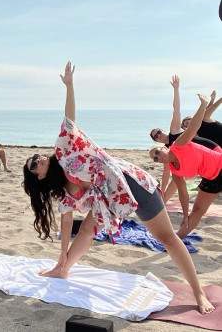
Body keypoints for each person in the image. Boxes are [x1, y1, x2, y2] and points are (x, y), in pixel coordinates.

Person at [22, 62, 214, 314]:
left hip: (132, 184)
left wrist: (69, 86)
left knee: (167, 238)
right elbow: (67, 223)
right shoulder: (62, 193)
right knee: (87, 230)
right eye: (34, 164)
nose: (39, 159)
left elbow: (69, 118)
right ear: (38, 177)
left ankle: (198, 292)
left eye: (37, 156)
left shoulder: (64, 150)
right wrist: (61, 257)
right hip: (109, 202)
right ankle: (63, 269)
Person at [149, 94, 222, 239]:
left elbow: (193, 126)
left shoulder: (178, 145)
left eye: (157, 152)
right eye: (156, 159)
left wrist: (203, 104)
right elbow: (183, 193)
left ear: (164, 148)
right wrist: (185, 214)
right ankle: (176, 240)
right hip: (212, 179)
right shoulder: (175, 170)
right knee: (197, 211)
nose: (158, 157)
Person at [149, 75, 218, 200]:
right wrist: (162, 190)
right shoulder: (166, 152)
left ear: (162, 130)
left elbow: (176, 110)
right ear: (157, 141)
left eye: (158, 132)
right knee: (176, 178)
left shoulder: (174, 131)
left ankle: (163, 202)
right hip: (202, 160)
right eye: (156, 137)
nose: (158, 135)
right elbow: (166, 172)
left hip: (210, 147)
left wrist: (176, 89)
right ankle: (163, 201)